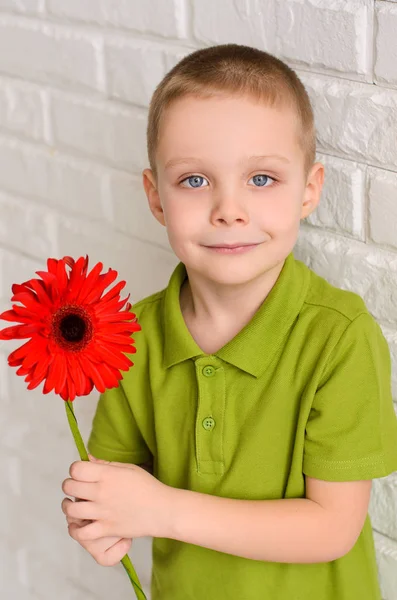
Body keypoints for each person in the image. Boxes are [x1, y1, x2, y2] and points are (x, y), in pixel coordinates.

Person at [61, 43, 397, 600]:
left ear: (309, 191)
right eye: (195, 180)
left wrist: (163, 510)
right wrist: (95, 518)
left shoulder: (338, 336)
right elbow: (111, 483)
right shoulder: (127, 336)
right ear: (157, 198)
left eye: (261, 179)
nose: (229, 208)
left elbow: (332, 528)